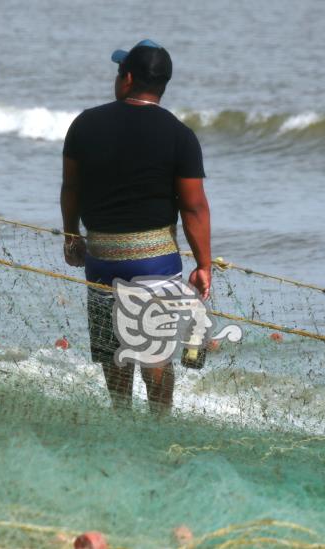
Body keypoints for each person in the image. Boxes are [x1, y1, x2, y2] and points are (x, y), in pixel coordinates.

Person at [60, 39, 211, 413]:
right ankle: (159, 424)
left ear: (127, 78)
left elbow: (71, 188)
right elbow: (193, 208)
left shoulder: (85, 124)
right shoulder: (180, 135)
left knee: (113, 353)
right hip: (154, 263)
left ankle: (122, 417)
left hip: (101, 258)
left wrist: (71, 236)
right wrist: (203, 265)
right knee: (154, 356)